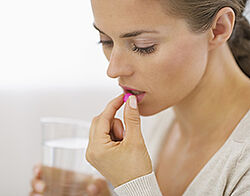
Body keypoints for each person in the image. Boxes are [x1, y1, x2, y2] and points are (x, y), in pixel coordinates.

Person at [30, 0, 250, 195]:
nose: (113, 70)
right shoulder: (155, 120)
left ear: (219, 28)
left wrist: (133, 184)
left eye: (143, 46)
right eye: (105, 41)